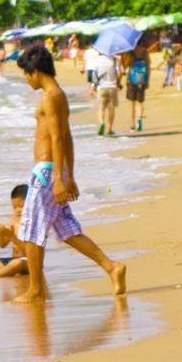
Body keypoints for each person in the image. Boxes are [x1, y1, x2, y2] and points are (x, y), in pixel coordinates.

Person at [13, 46, 129, 300]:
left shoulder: (50, 97)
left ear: (35, 71)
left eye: (26, 73)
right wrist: (69, 174)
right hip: (54, 170)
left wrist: (58, 178)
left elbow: (57, 138)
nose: (26, 79)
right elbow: (67, 138)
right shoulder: (58, 95)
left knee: (31, 229)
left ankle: (35, 289)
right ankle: (112, 267)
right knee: (66, 228)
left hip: (46, 172)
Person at [124, 48, 150, 133]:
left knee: (131, 104)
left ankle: (132, 125)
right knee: (139, 102)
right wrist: (147, 81)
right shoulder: (145, 51)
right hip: (142, 80)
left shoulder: (130, 52)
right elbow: (148, 66)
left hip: (131, 80)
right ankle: (139, 119)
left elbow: (126, 66)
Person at [96, 50, 121, 137]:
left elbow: (94, 74)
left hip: (101, 87)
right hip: (112, 86)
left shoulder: (98, 60)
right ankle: (109, 129)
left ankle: (102, 123)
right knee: (111, 108)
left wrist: (93, 86)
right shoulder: (114, 59)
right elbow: (119, 73)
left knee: (101, 108)